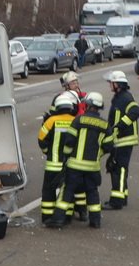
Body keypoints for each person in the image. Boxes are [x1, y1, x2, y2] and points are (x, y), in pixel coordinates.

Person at [45, 91, 112, 229]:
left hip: (75, 165)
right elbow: (109, 146)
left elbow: (69, 142)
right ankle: (95, 221)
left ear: (87, 105)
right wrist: (98, 155)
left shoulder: (79, 120)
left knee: (67, 191)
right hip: (93, 167)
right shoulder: (105, 125)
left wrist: (66, 158)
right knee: (92, 192)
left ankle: (58, 219)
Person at [37, 93, 78, 223]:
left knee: (49, 190)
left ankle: (47, 216)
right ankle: (67, 216)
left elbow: (41, 139)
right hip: (70, 164)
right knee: (68, 190)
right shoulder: (75, 121)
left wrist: (47, 151)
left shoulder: (51, 121)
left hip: (53, 164)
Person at [103, 70, 139, 209]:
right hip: (119, 140)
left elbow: (135, 111)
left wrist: (120, 125)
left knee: (119, 168)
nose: (109, 86)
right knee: (117, 167)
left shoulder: (125, 97)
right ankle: (122, 196)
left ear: (117, 84)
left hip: (124, 140)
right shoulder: (119, 97)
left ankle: (116, 201)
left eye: (111, 83)